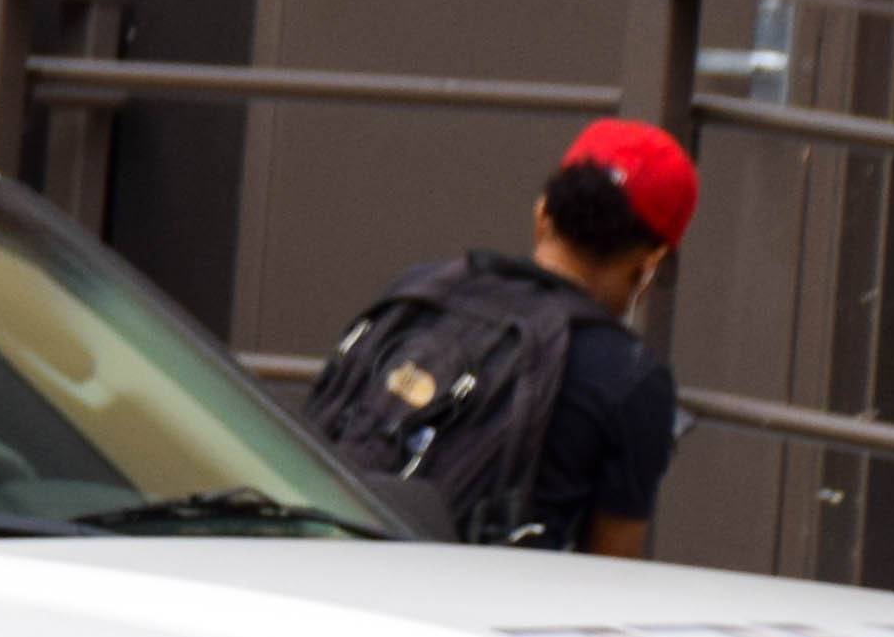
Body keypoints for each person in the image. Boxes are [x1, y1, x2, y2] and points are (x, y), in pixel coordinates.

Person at [296, 117, 697, 554]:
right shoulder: (632, 377)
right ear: (650, 262)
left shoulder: (424, 286)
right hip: (470, 604)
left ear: (542, 214)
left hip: (321, 565)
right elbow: (611, 570)